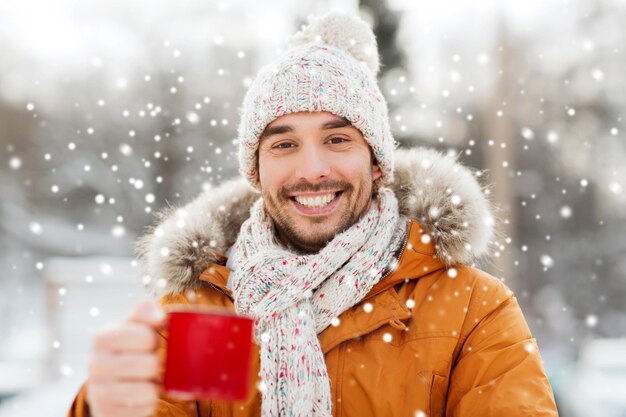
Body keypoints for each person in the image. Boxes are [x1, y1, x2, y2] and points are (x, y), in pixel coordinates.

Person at [68, 12, 559, 417]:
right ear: (256, 171)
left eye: (337, 139)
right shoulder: (209, 314)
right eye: (284, 144)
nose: (312, 169)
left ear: (377, 160)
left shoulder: (471, 309)